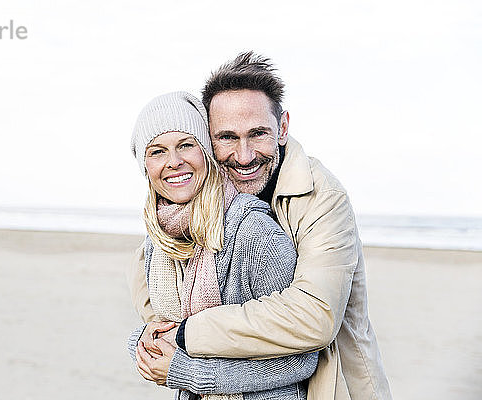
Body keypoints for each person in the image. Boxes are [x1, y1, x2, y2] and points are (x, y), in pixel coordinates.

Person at [127, 53, 393, 400]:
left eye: (258, 133)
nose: (244, 155)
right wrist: (149, 338)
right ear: (209, 140)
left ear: (282, 127)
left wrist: (184, 337)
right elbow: (158, 306)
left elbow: (314, 317)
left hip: (333, 387)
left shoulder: (322, 197)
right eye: (226, 137)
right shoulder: (196, 210)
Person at [127, 91, 318, 400]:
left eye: (186, 145)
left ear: (207, 152)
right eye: (157, 151)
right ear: (144, 165)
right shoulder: (158, 242)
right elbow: (167, 330)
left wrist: (185, 371)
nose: (174, 162)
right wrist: (141, 341)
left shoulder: (254, 234)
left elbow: (300, 359)